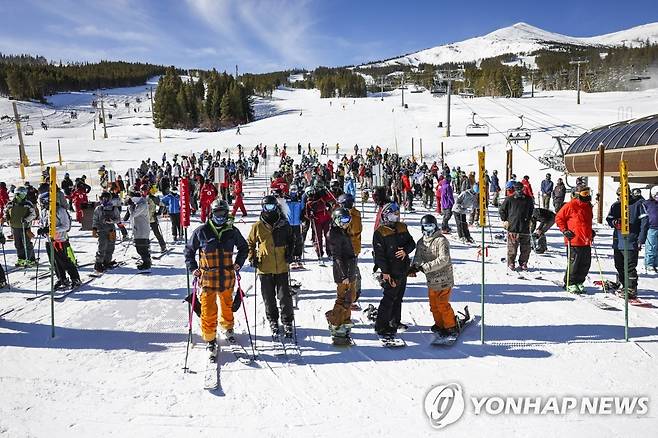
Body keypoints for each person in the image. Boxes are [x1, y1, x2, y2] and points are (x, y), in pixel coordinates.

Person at [185, 199, 248, 351]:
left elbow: (243, 248)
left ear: (227, 214)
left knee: (227, 306)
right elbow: (189, 251)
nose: (220, 216)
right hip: (207, 279)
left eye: (223, 213)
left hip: (227, 277)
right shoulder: (201, 231)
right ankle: (210, 337)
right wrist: (193, 268)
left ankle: (227, 327)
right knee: (208, 309)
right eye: (217, 213)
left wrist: (238, 262)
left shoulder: (232, 231)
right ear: (212, 214)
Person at [248, 195, 295, 338]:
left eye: (272, 206)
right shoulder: (257, 226)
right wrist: (253, 257)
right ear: (263, 208)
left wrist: (290, 254)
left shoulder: (284, 224)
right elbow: (250, 243)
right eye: (266, 207)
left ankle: (287, 321)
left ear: (276, 207)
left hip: (281, 266)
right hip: (264, 267)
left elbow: (292, 240)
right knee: (268, 297)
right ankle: (273, 319)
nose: (269, 210)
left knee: (284, 296)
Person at [372, 202, 416, 337]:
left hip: (402, 268)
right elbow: (379, 256)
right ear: (386, 216)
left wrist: (405, 251)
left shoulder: (402, 227)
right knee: (389, 298)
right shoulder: (380, 232)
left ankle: (394, 321)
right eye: (393, 215)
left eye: (397, 215)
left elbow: (411, 243)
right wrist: (385, 272)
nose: (396, 218)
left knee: (399, 297)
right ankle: (381, 325)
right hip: (390, 270)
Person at [410, 214, 458, 337]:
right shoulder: (421, 242)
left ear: (435, 226)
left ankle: (451, 326)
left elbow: (444, 259)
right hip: (431, 280)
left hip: (444, 278)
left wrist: (425, 267)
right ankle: (440, 324)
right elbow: (418, 257)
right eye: (425, 227)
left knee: (442, 304)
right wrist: (415, 266)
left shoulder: (441, 240)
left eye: (430, 226)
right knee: (434, 305)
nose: (428, 229)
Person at [605, 187, 648, 297]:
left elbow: (645, 221)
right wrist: (614, 222)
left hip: (631, 241)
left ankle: (631, 288)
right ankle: (624, 285)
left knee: (629, 266)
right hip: (618, 241)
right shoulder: (616, 205)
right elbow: (609, 218)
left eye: (624, 195)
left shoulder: (638, 204)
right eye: (619, 195)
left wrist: (641, 239)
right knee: (619, 265)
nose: (622, 197)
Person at [36, 192, 81, 289]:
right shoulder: (44, 211)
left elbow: (66, 226)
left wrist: (51, 230)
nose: (41, 204)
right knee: (54, 262)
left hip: (59, 240)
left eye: (42, 202)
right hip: (49, 241)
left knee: (64, 261)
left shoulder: (60, 210)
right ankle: (62, 278)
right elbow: (42, 223)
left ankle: (75, 278)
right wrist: (42, 230)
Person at [555, 185, 594, 293]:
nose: (587, 196)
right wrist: (564, 230)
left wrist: (591, 231)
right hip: (574, 240)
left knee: (585, 263)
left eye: (588, 193)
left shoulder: (588, 206)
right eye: (584, 194)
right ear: (577, 195)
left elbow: (586, 222)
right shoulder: (571, 205)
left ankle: (579, 281)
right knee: (574, 263)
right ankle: (570, 282)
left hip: (586, 240)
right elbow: (559, 218)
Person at [325, 208, 357, 340]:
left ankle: (345, 320)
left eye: (348, 220)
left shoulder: (342, 231)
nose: (346, 223)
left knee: (351, 297)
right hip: (342, 271)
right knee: (344, 298)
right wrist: (344, 275)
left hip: (350, 268)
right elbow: (336, 257)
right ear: (336, 220)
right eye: (343, 220)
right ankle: (335, 322)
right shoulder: (334, 234)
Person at [499, 181, 534, 271]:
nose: (519, 190)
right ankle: (511, 262)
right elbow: (502, 210)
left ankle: (523, 262)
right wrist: (505, 220)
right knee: (512, 247)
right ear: (514, 189)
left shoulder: (528, 199)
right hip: (513, 226)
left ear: (523, 188)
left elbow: (531, 211)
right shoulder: (509, 199)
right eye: (517, 189)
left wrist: (530, 220)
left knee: (526, 248)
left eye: (520, 188)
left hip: (525, 226)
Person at [338, 193, 362, 302]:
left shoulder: (355, 215)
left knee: (353, 270)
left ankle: (355, 292)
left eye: (342, 205)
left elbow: (355, 230)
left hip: (352, 247)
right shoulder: (343, 213)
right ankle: (347, 290)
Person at [5, 186, 37, 267]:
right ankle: (21, 258)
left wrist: (26, 219)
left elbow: (33, 214)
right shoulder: (10, 204)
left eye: (24, 194)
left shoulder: (27, 203)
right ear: (16, 194)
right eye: (21, 193)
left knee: (26, 243)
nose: (23, 195)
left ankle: (31, 259)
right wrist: (7, 218)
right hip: (14, 227)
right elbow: (7, 212)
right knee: (18, 244)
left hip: (24, 227)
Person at [92, 191, 121, 274]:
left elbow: (118, 219)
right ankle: (98, 263)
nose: (104, 200)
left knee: (110, 247)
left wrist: (112, 221)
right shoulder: (98, 209)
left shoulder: (114, 208)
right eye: (102, 198)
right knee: (102, 247)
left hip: (111, 231)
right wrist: (94, 229)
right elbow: (95, 219)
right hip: (102, 231)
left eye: (106, 198)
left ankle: (107, 262)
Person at [127, 187, 152, 270]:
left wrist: (130, 206)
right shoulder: (140, 204)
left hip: (142, 230)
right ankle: (146, 261)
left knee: (141, 247)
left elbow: (133, 214)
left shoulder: (142, 205)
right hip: (140, 229)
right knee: (142, 247)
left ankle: (146, 263)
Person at [285, 185, 304, 267]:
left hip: (296, 222)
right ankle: (291, 256)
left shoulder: (299, 198)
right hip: (289, 223)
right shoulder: (287, 198)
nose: (293, 192)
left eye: (295, 190)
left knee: (298, 239)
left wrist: (302, 216)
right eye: (292, 190)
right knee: (289, 240)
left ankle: (298, 255)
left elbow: (302, 208)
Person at [644, 190, 658, 273]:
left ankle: (656, 264)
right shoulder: (647, 203)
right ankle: (649, 264)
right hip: (651, 227)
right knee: (651, 246)